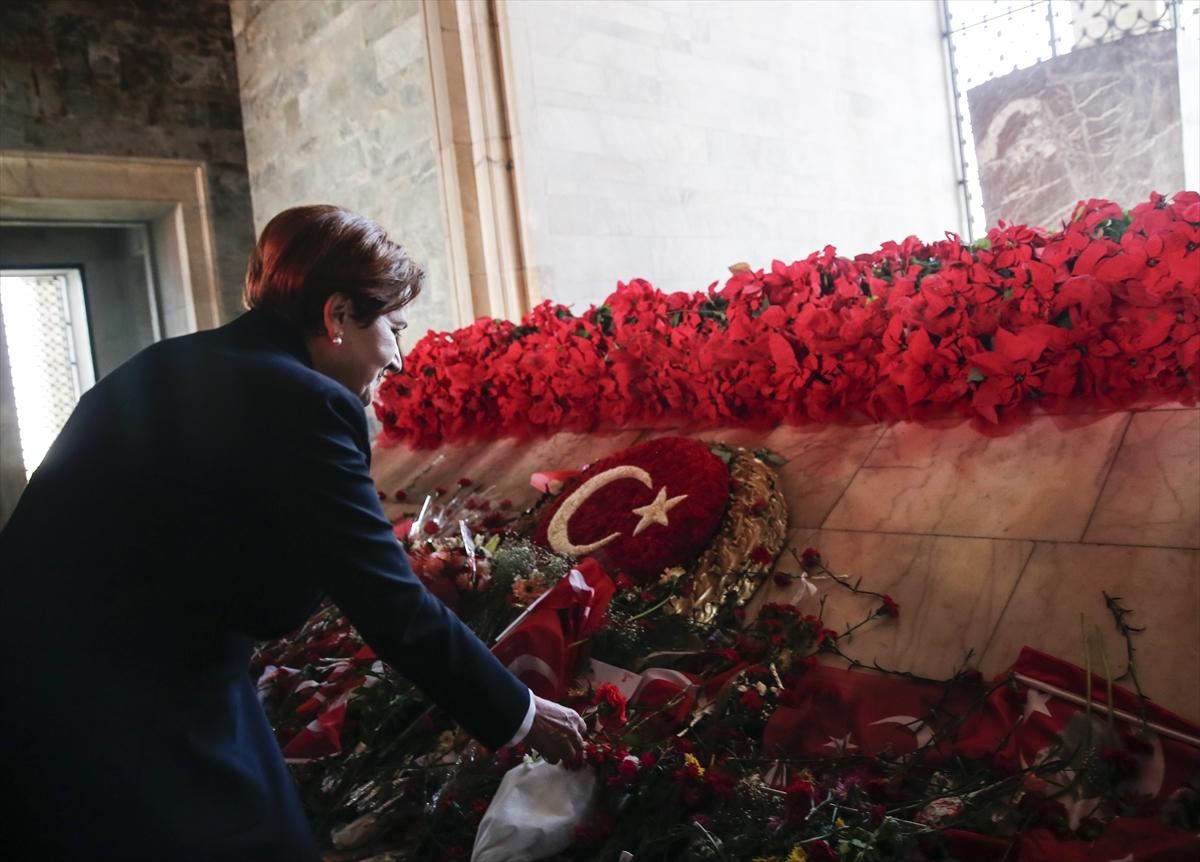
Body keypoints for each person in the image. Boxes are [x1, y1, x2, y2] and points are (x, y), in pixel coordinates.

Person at [0, 205, 586, 860]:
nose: (396, 358)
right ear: (338, 316)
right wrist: (520, 712)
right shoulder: (306, 401)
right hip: (129, 698)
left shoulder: (168, 363)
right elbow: (386, 603)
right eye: (393, 328)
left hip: (56, 673)